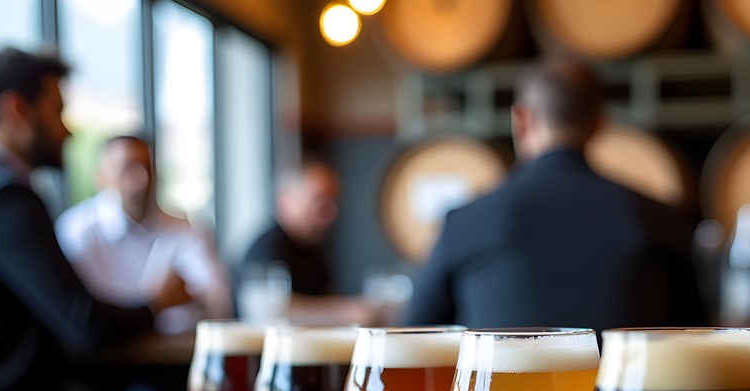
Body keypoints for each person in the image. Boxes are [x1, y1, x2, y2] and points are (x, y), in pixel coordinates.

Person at [0, 46, 188, 391]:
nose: (67, 130)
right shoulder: (6, 200)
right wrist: (157, 303)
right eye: (57, 110)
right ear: (16, 110)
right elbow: (83, 324)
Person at [402, 56, 707, 333]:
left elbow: (415, 333)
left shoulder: (466, 220)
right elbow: (694, 334)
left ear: (521, 119)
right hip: (619, 381)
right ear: (599, 125)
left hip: (502, 380)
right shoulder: (660, 218)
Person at [56, 133, 233, 334]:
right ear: (101, 177)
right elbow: (86, 318)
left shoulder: (184, 229)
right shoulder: (75, 231)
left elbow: (218, 302)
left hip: (169, 351)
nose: (143, 179)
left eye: (148, 167)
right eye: (128, 168)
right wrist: (162, 302)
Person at [238, 159, 339, 297]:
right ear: (285, 200)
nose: (331, 213)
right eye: (319, 201)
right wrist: (349, 308)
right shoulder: (267, 248)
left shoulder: (311, 250)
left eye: (333, 202)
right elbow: (273, 306)